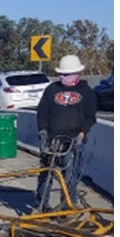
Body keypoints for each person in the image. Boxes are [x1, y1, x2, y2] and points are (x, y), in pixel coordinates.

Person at [34, 54, 99, 211]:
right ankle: (42, 204)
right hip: (51, 139)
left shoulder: (86, 92)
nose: (63, 77)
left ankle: (68, 206)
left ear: (75, 74)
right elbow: (42, 112)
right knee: (46, 173)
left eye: (66, 74)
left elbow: (90, 117)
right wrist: (42, 130)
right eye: (61, 74)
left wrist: (82, 133)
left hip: (73, 140)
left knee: (70, 175)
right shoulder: (52, 90)